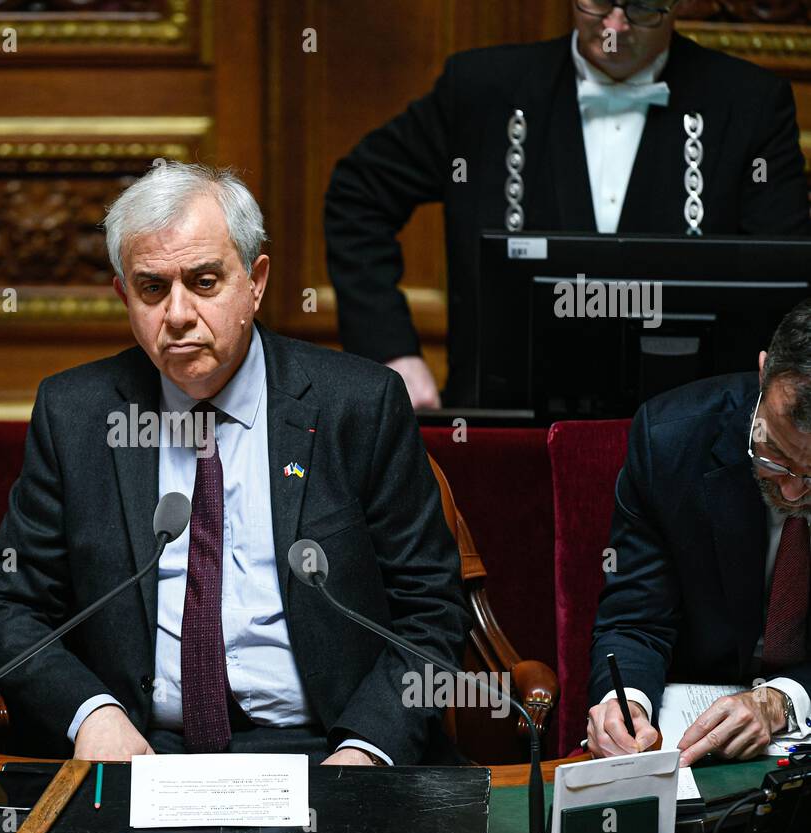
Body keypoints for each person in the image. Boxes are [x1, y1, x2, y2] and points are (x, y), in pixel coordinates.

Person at [0, 162, 469, 763]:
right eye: (153, 288)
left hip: (329, 748)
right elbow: (2, 603)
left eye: (204, 282)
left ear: (254, 282)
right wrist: (89, 715)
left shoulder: (356, 405)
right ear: (125, 294)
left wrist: (368, 746)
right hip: (140, 750)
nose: (177, 315)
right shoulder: (77, 415)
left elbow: (432, 608)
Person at [325, 0, 810, 409]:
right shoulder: (481, 89)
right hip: (507, 430)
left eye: (641, 8)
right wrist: (390, 353)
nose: (616, 27)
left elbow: (784, 276)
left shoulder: (749, 104)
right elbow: (358, 195)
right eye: (598, 2)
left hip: (688, 446)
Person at [587, 301, 811, 765]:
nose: (792, 491)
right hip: (692, 732)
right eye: (776, 456)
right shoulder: (670, 441)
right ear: (764, 371)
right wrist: (624, 704)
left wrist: (781, 701)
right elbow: (636, 621)